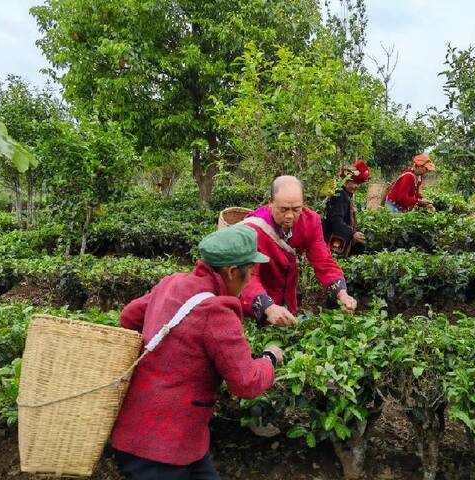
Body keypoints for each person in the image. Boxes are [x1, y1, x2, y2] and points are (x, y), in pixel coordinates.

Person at [111, 225, 283, 480]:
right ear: (233, 272)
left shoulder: (173, 282)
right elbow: (246, 383)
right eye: (250, 274)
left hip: (170, 438)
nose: (249, 282)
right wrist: (269, 358)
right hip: (158, 450)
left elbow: (128, 316)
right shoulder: (217, 311)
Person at [240, 175, 359, 327]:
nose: (290, 216)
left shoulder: (311, 221)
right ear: (270, 203)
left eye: (296, 209)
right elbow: (247, 277)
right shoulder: (252, 229)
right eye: (283, 209)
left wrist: (342, 293)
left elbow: (323, 260)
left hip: (288, 295)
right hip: (257, 298)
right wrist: (267, 307)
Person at [322, 160, 372, 256]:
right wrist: (352, 233)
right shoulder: (340, 194)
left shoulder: (345, 194)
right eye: (352, 183)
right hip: (334, 240)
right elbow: (336, 220)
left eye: (358, 183)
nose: (355, 186)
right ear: (345, 181)